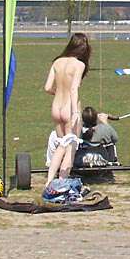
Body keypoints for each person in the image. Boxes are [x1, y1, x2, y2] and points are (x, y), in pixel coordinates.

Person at [43, 33, 91, 184]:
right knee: (71, 148)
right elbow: (74, 89)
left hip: (56, 107)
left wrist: (58, 93)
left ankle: (49, 181)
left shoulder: (57, 62)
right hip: (69, 108)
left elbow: (47, 87)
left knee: (61, 145)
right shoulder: (79, 65)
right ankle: (62, 182)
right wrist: (75, 111)